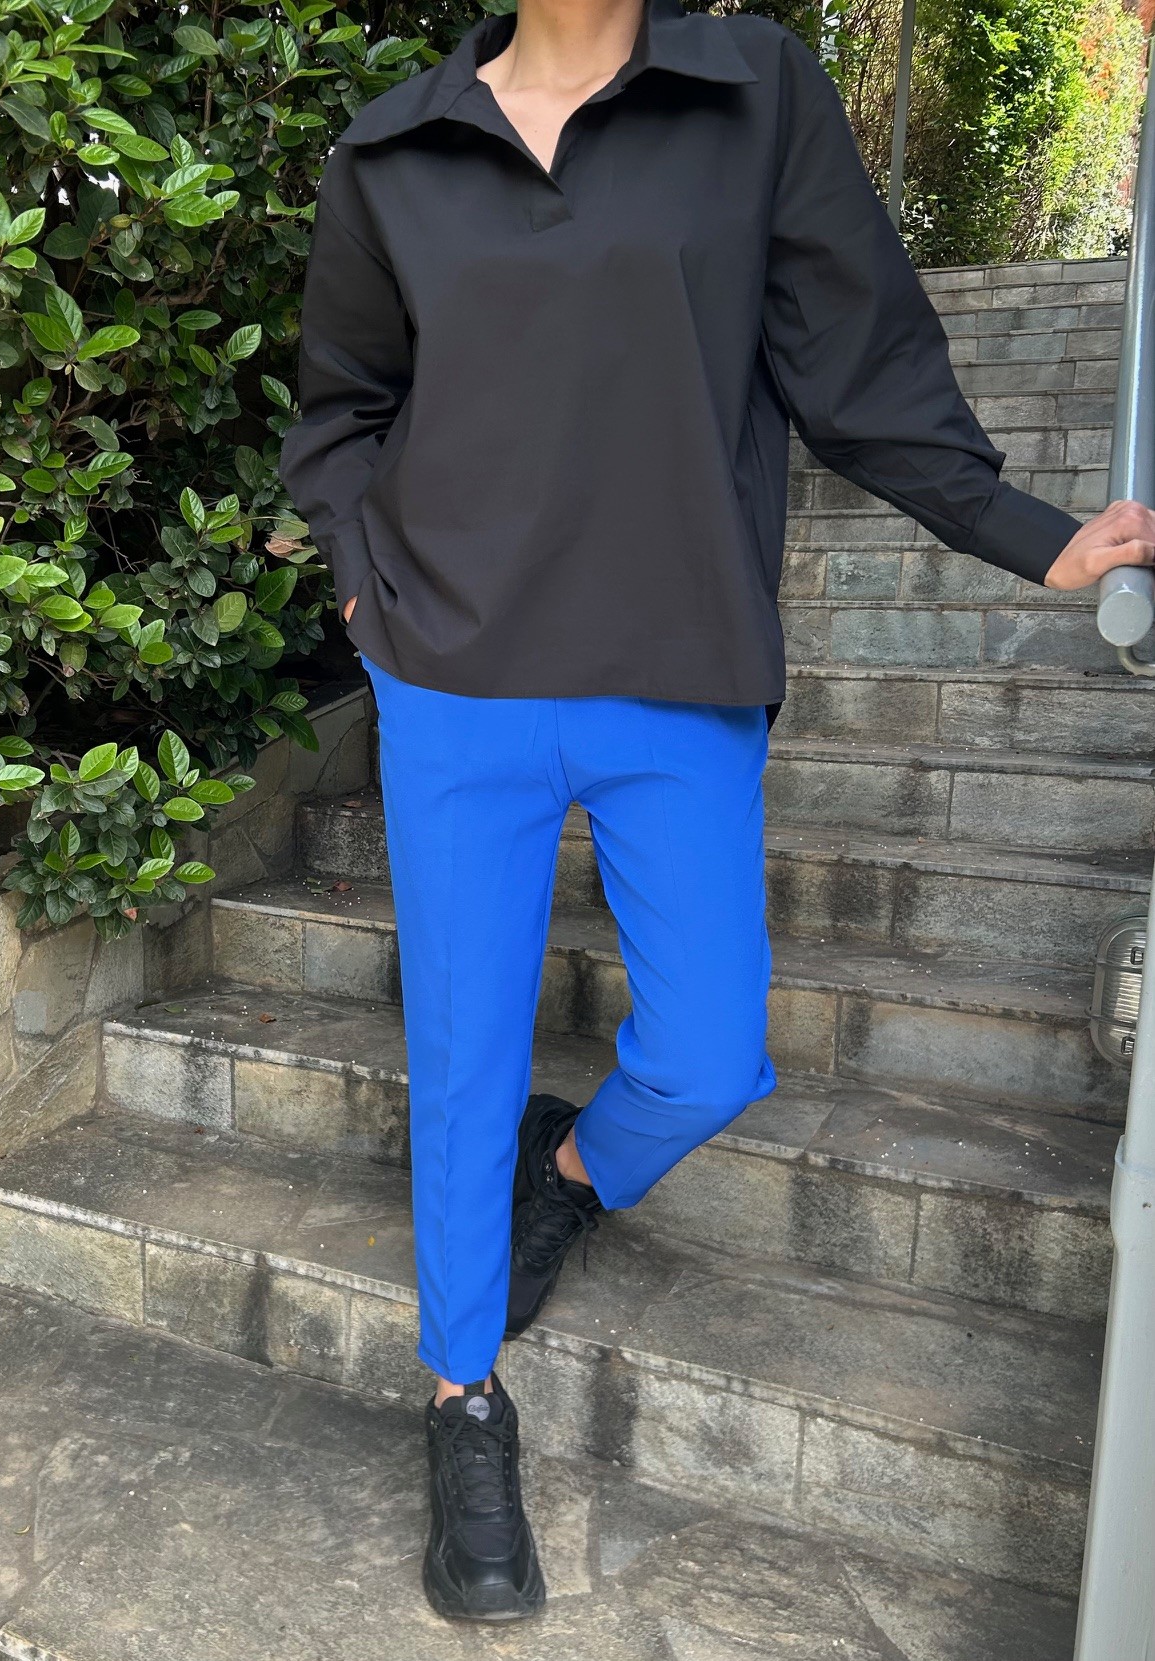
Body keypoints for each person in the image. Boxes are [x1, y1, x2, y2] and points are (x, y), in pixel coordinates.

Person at [280, 0, 1155, 1622]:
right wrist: (360, 585)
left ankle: (574, 1172)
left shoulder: (754, 93)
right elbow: (342, 409)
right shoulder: (390, 151)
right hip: (451, 676)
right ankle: (462, 1394)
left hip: (675, 662)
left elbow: (860, 364)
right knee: (462, 1058)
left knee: (707, 1048)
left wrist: (1031, 533)